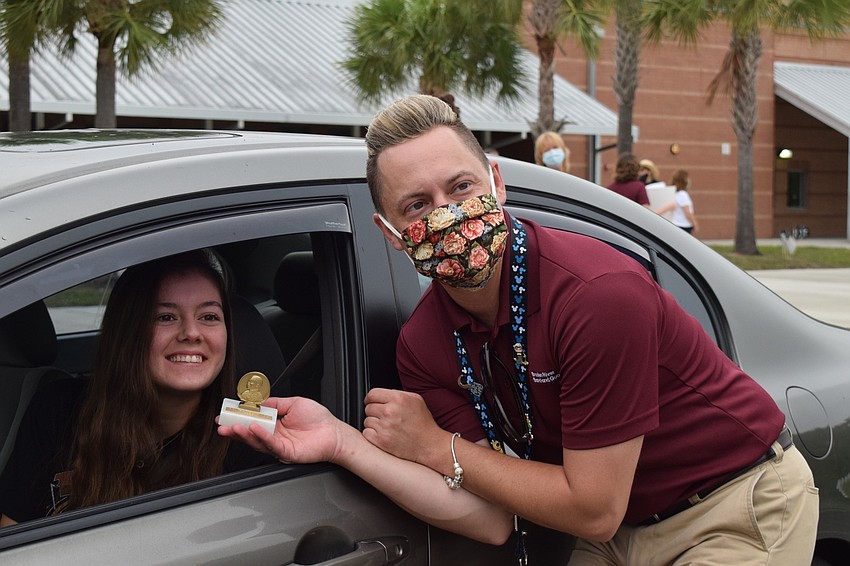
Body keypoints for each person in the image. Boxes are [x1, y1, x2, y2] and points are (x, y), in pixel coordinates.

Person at [220, 95, 819, 565]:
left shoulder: (595, 294)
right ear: (390, 233)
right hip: (625, 526)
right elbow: (488, 518)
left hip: (729, 506)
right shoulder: (426, 343)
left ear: (497, 184)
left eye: (461, 188)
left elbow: (591, 510)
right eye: (417, 206)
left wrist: (433, 446)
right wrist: (342, 443)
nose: (449, 215)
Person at [0, 250, 271, 526]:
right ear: (129, 331)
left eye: (209, 316)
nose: (191, 332)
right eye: (165, 317)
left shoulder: (245, 437)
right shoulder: (57, 412)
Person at [656, 169, 699, 234]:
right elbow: (687, 212)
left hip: (675, 224)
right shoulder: (683, 194)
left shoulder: (674, 194)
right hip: (684, 226)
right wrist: (694, 223)